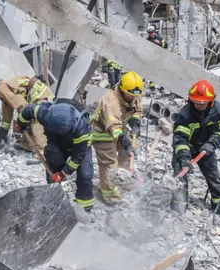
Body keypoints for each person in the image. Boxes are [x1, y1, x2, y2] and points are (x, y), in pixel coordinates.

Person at [18, 102, 95, 211]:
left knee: (85, 174)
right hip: (58, 143)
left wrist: (64, 173)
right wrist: (20, 123)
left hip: (80, 147)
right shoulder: (44, 113)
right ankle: (52, 198)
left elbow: (78, 156)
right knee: (52, 156)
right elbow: (27, 111)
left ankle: (84, 207)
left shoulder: (81, 128)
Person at [171, 80, 220, 215]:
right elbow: (180, 139)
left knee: (213, 175)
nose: (199, 105)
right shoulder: (185, 114)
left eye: (203, 103)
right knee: (180, 175)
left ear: (211, 101)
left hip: (207, 147)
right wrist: (184, 158)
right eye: (196, 102)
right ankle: (179, 208)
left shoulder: (218, 111)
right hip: (188, 147)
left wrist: (212, 143)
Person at [90, 71, 143, 204]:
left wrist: (135, 121)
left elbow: (137, 108)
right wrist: (127, 143)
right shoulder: (110, 102)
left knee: (126, 154)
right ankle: (110, 195)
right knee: (109, 163)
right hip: (103, 133)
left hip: (121, 128)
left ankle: (124, 180)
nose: (132, 98)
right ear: (121, 88)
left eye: (134, 96)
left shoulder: (133, 93)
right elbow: (114, 128)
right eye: (129, 95)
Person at [0, 75, 54, 152]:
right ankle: (29, 145)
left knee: (35, 120)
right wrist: (5, 127)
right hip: (35, 92)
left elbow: (21, 105)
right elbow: (8, 107)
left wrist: (25, 119)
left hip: (39, 93)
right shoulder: (1, 90)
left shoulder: (1, 89)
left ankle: (43, 151)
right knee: (22, 121)